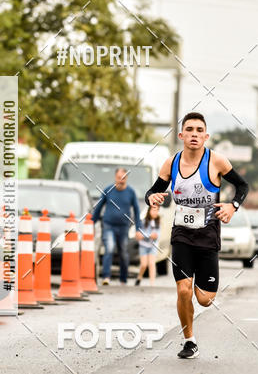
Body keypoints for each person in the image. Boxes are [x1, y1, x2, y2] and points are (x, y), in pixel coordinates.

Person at [145, 112, 249, 359]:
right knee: (183, 290)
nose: (194, 134)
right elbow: (153, 190)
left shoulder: (217, 161)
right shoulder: (171, 164)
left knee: (204, 300)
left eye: (199, 130)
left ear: (206, 136)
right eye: (189, 129)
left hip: (208, 235)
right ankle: (189, 340)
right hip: (181, 234)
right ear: (181, 135)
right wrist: (152, 197)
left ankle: (203, 299)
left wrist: (232, 206)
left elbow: (242, 186)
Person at [91, 167, 142, 285]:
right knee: (109, 248)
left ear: (127, 178)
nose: (121, 180)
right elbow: (98, 208)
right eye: (119, 178)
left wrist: (138, 229)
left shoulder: (131, 192)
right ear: (115, 177)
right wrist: (91, 223)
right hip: (109, 225)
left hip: (124, 227)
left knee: (123, 252)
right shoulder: (108, 190)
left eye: (124, 178)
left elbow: (137, 210)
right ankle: (106, 277)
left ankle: (123, 279)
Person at [135, 203, 160, 286]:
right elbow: (139, 235)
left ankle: (152, 284)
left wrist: (145, 236)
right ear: (149, 211)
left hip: (153, 246)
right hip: (143, 246)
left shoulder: (158, 222)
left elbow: (156, 235)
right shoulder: (144, 221)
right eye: (153, 210)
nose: (155, 212)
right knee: (144, 265)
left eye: (157, 210)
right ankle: (139, 277)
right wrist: (149, 236)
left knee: (152, 264)